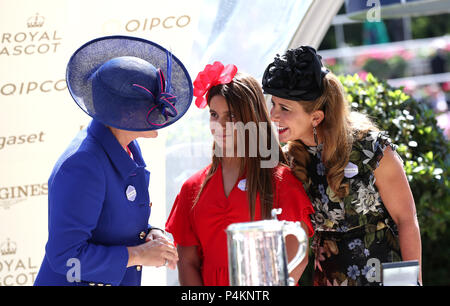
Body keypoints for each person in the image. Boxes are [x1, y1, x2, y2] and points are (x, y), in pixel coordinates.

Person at [34, 35, 193, 286]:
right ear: (126, 114)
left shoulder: (125, 144)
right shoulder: (83, 165)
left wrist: (149, 234)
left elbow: (109, 220)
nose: (165, 111)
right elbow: (66, 258)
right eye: (150, 103)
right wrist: (138, 254)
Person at [262, 46, 422, 286]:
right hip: (329, 279)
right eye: (273, 104)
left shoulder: (371, 149)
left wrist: (414, 282)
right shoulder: (290, 160)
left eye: (284, 108)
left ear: (316, 117)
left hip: (385, 278)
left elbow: (406, 219)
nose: (273, 115)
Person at [165, 61, 314, 286]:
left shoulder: (280, 180)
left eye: (231, 116)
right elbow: (187, 263)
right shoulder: (191, 188)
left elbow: (297, 256)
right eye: (214, 114)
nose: (220, 125)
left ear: (251, 119)